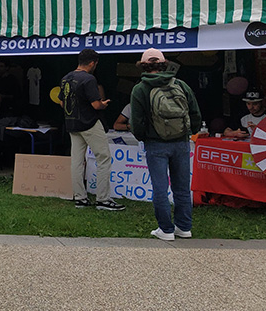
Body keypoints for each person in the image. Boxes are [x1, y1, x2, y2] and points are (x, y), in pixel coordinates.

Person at [130, 48, 202, 241]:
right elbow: (194, 112)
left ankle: (166, 229)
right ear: (164, 64)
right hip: (181, 142)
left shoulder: (140, 89)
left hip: (156, 144)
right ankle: (184, 227)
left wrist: (143, 137)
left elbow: (136, 122)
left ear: (143, 66)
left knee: (160, 188)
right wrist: (190, 131)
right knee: (182, 187)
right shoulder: (180, 84)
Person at [58, 49, 124, 211]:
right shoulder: (88, 79)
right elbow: (96, 105)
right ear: (93, 63)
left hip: (72, 124)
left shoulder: (66, 78)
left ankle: (80, 198)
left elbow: (61, 102)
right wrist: (103, 104)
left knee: (77, 161)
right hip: (89, 123)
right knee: (103, 158)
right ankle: (103, 199)